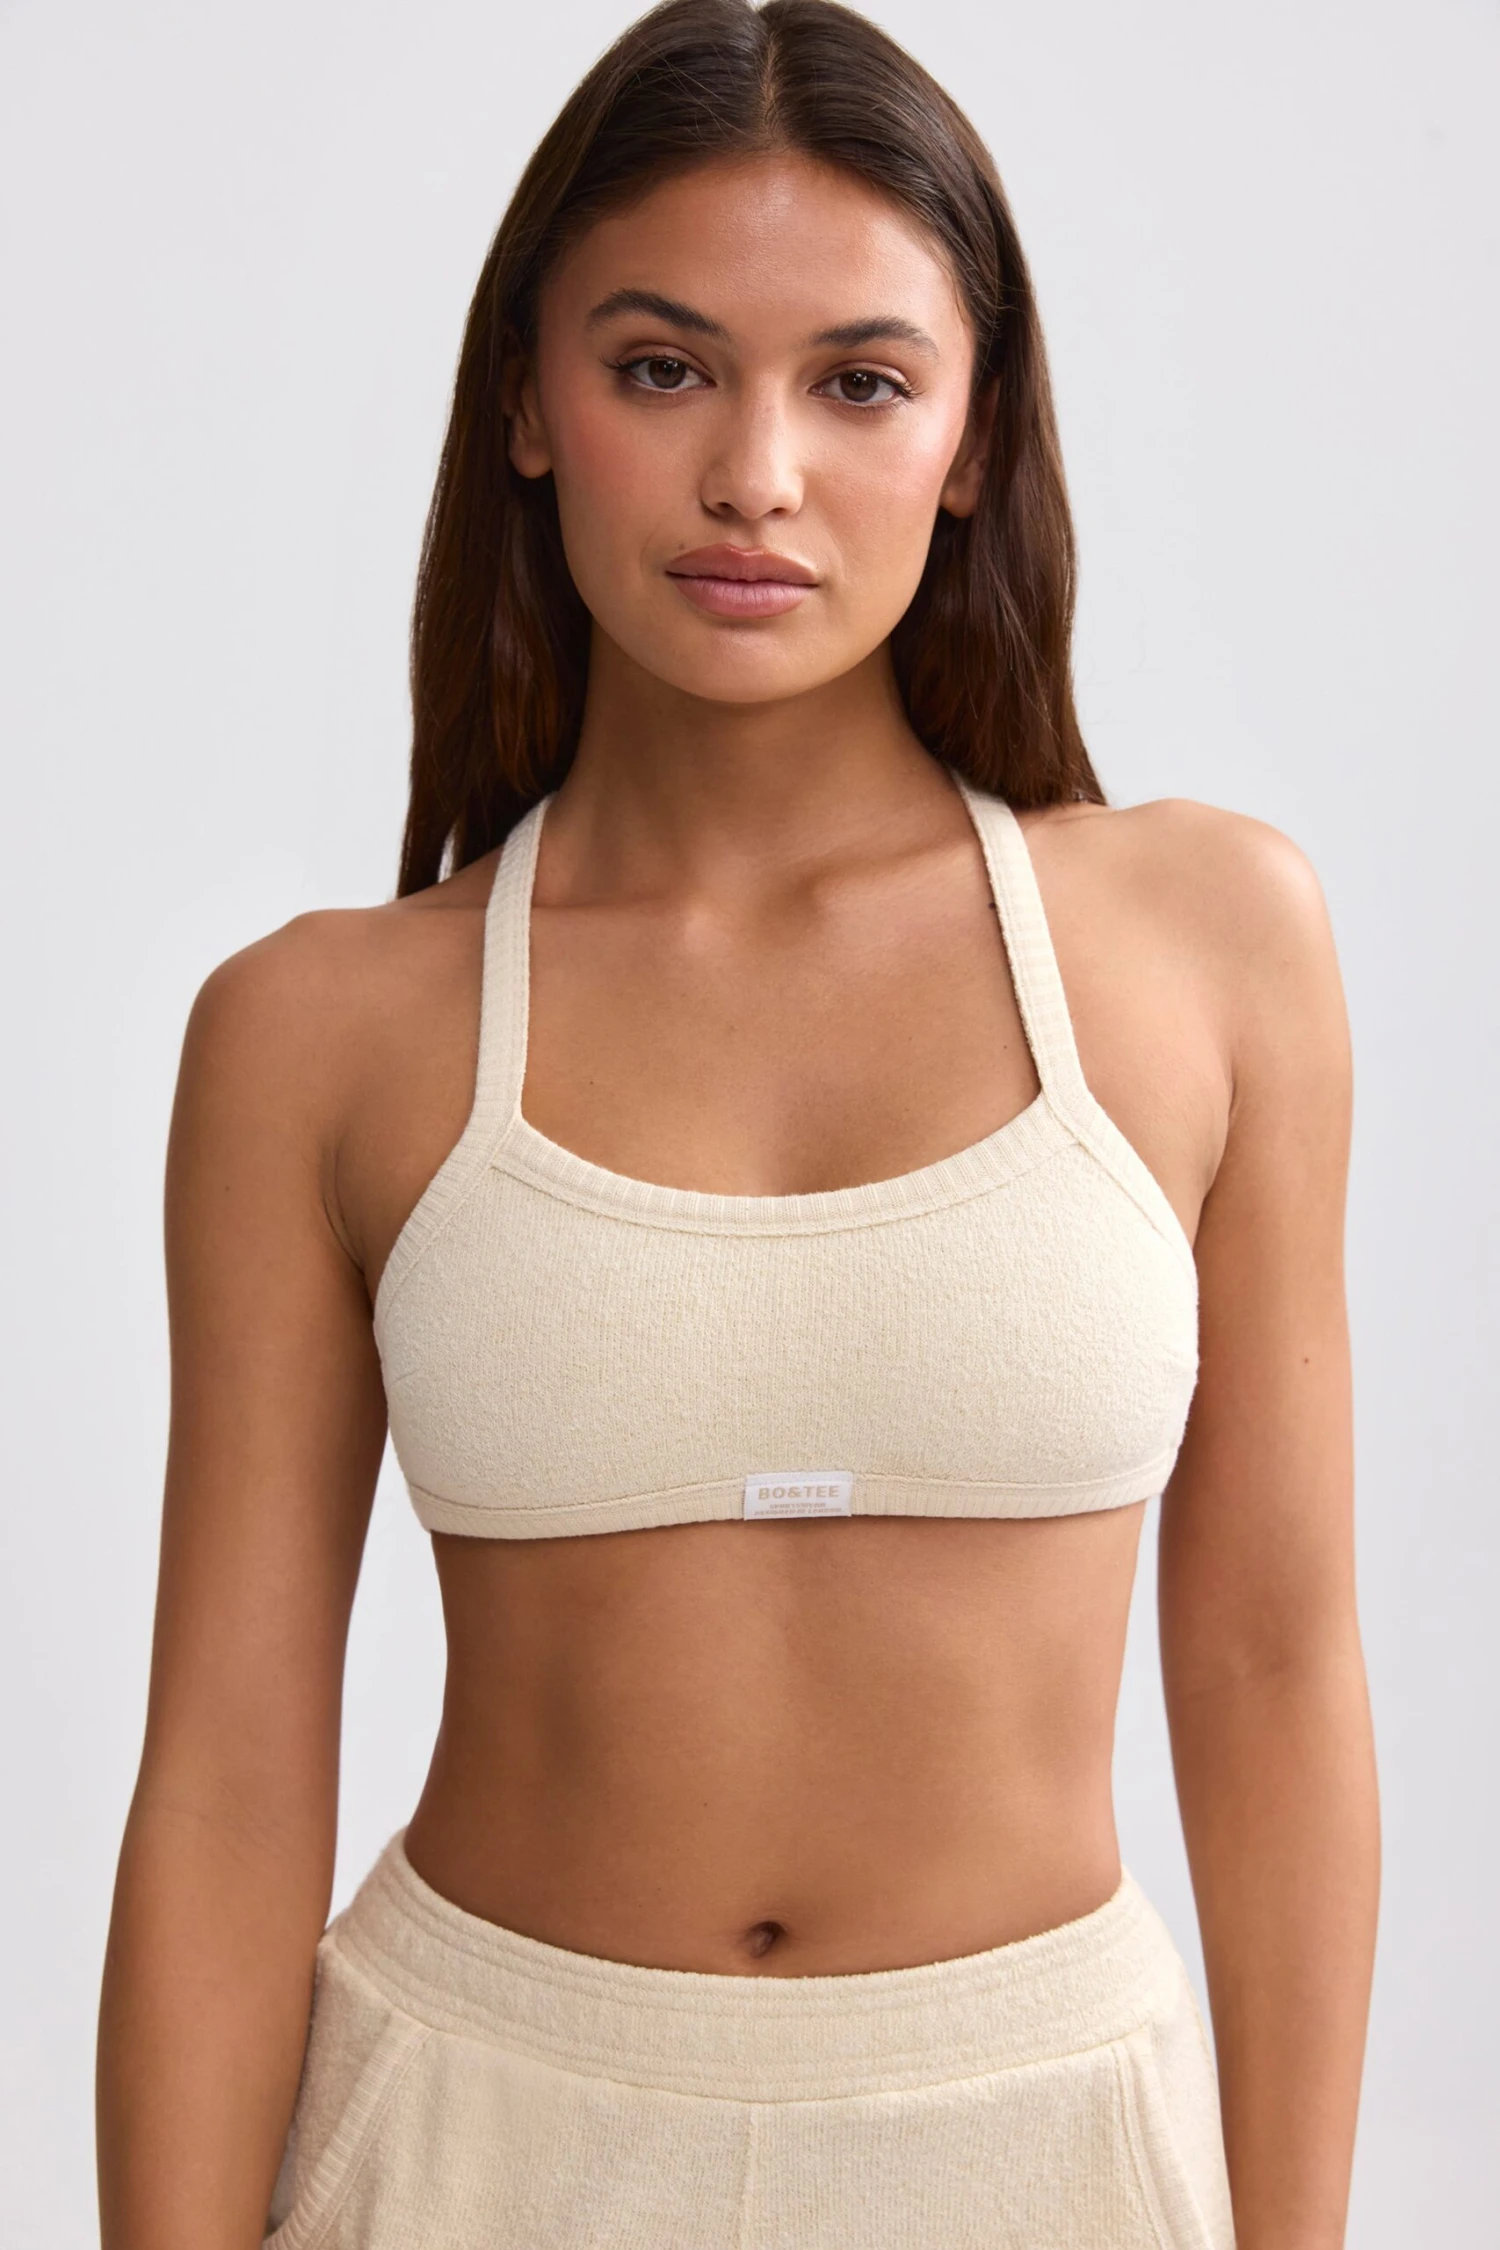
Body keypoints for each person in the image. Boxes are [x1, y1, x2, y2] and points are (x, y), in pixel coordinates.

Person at [95, 1, 1380, 2243]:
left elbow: (1272, 1671)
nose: (757, 474)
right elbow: (223, 1772)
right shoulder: (317, 1035)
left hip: (1042, 2147)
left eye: (860, 383)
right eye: (664, 366)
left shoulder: (1209, 945)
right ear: (529, 402)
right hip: (476, 2137)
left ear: (976, 438)